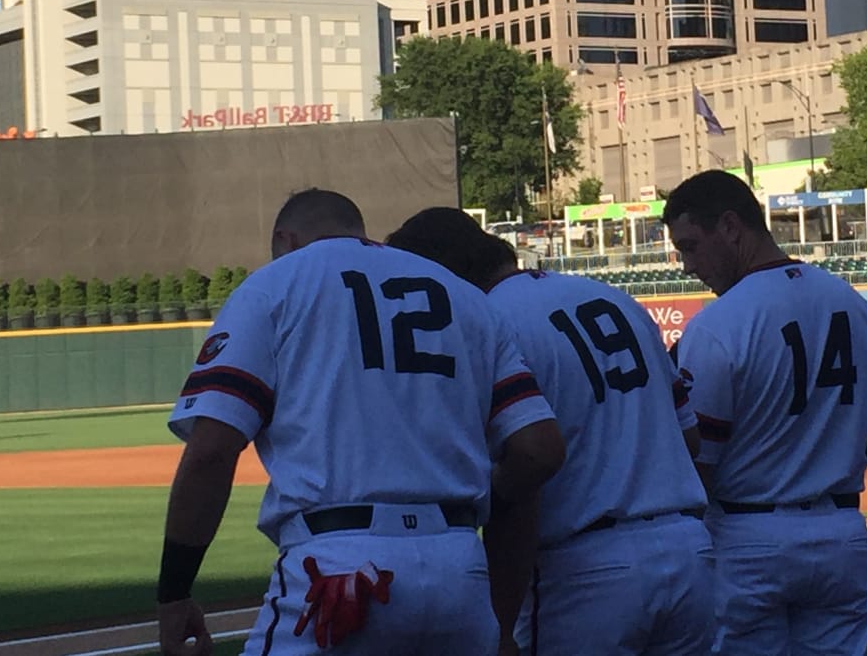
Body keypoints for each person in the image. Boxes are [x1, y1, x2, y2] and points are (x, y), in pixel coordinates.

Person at [155, 188, 565, 656]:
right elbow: (538, 448)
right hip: (460, 568)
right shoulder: (464, 296)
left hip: (341, 569)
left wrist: (174, 591)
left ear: (285, 239)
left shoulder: (275, 284)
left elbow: (211, 450)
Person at [386, 207, 712, 655]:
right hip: (688, 552)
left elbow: (529, 467)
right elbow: (689, 438)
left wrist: (500, 624)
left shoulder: (484, 320)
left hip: (585, 571)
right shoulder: (613, 297)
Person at [666, 170, 867, 655]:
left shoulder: (717, 325)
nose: (687, 265)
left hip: (749, 537)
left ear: (730, 225)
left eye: (690, 246)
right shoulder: (854, 306)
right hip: (840, 534)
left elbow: (699, 465)